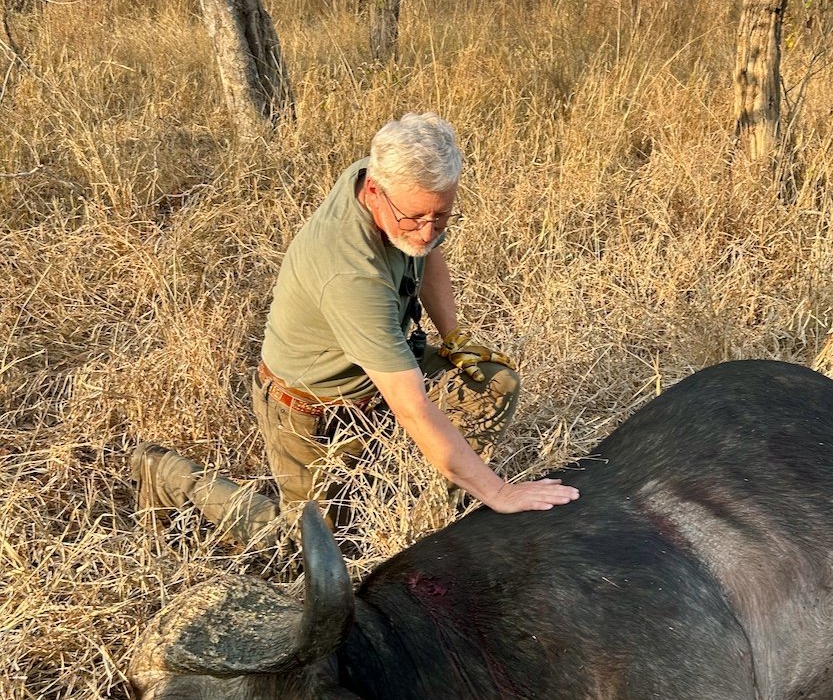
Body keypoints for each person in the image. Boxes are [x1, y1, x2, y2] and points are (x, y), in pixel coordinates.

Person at [133, 113, 578, 541]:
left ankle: (436, 514)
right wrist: (500, 492)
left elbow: (427, 251)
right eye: (414, 218)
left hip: (370, 372)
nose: (425, 232)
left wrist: (453, 336)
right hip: (309, 408)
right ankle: (167, 473)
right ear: (374, 191)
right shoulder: (351, 276)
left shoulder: (389, 176)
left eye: (440, 216)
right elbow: (412, 408)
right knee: (315, 553)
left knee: (491, 382)